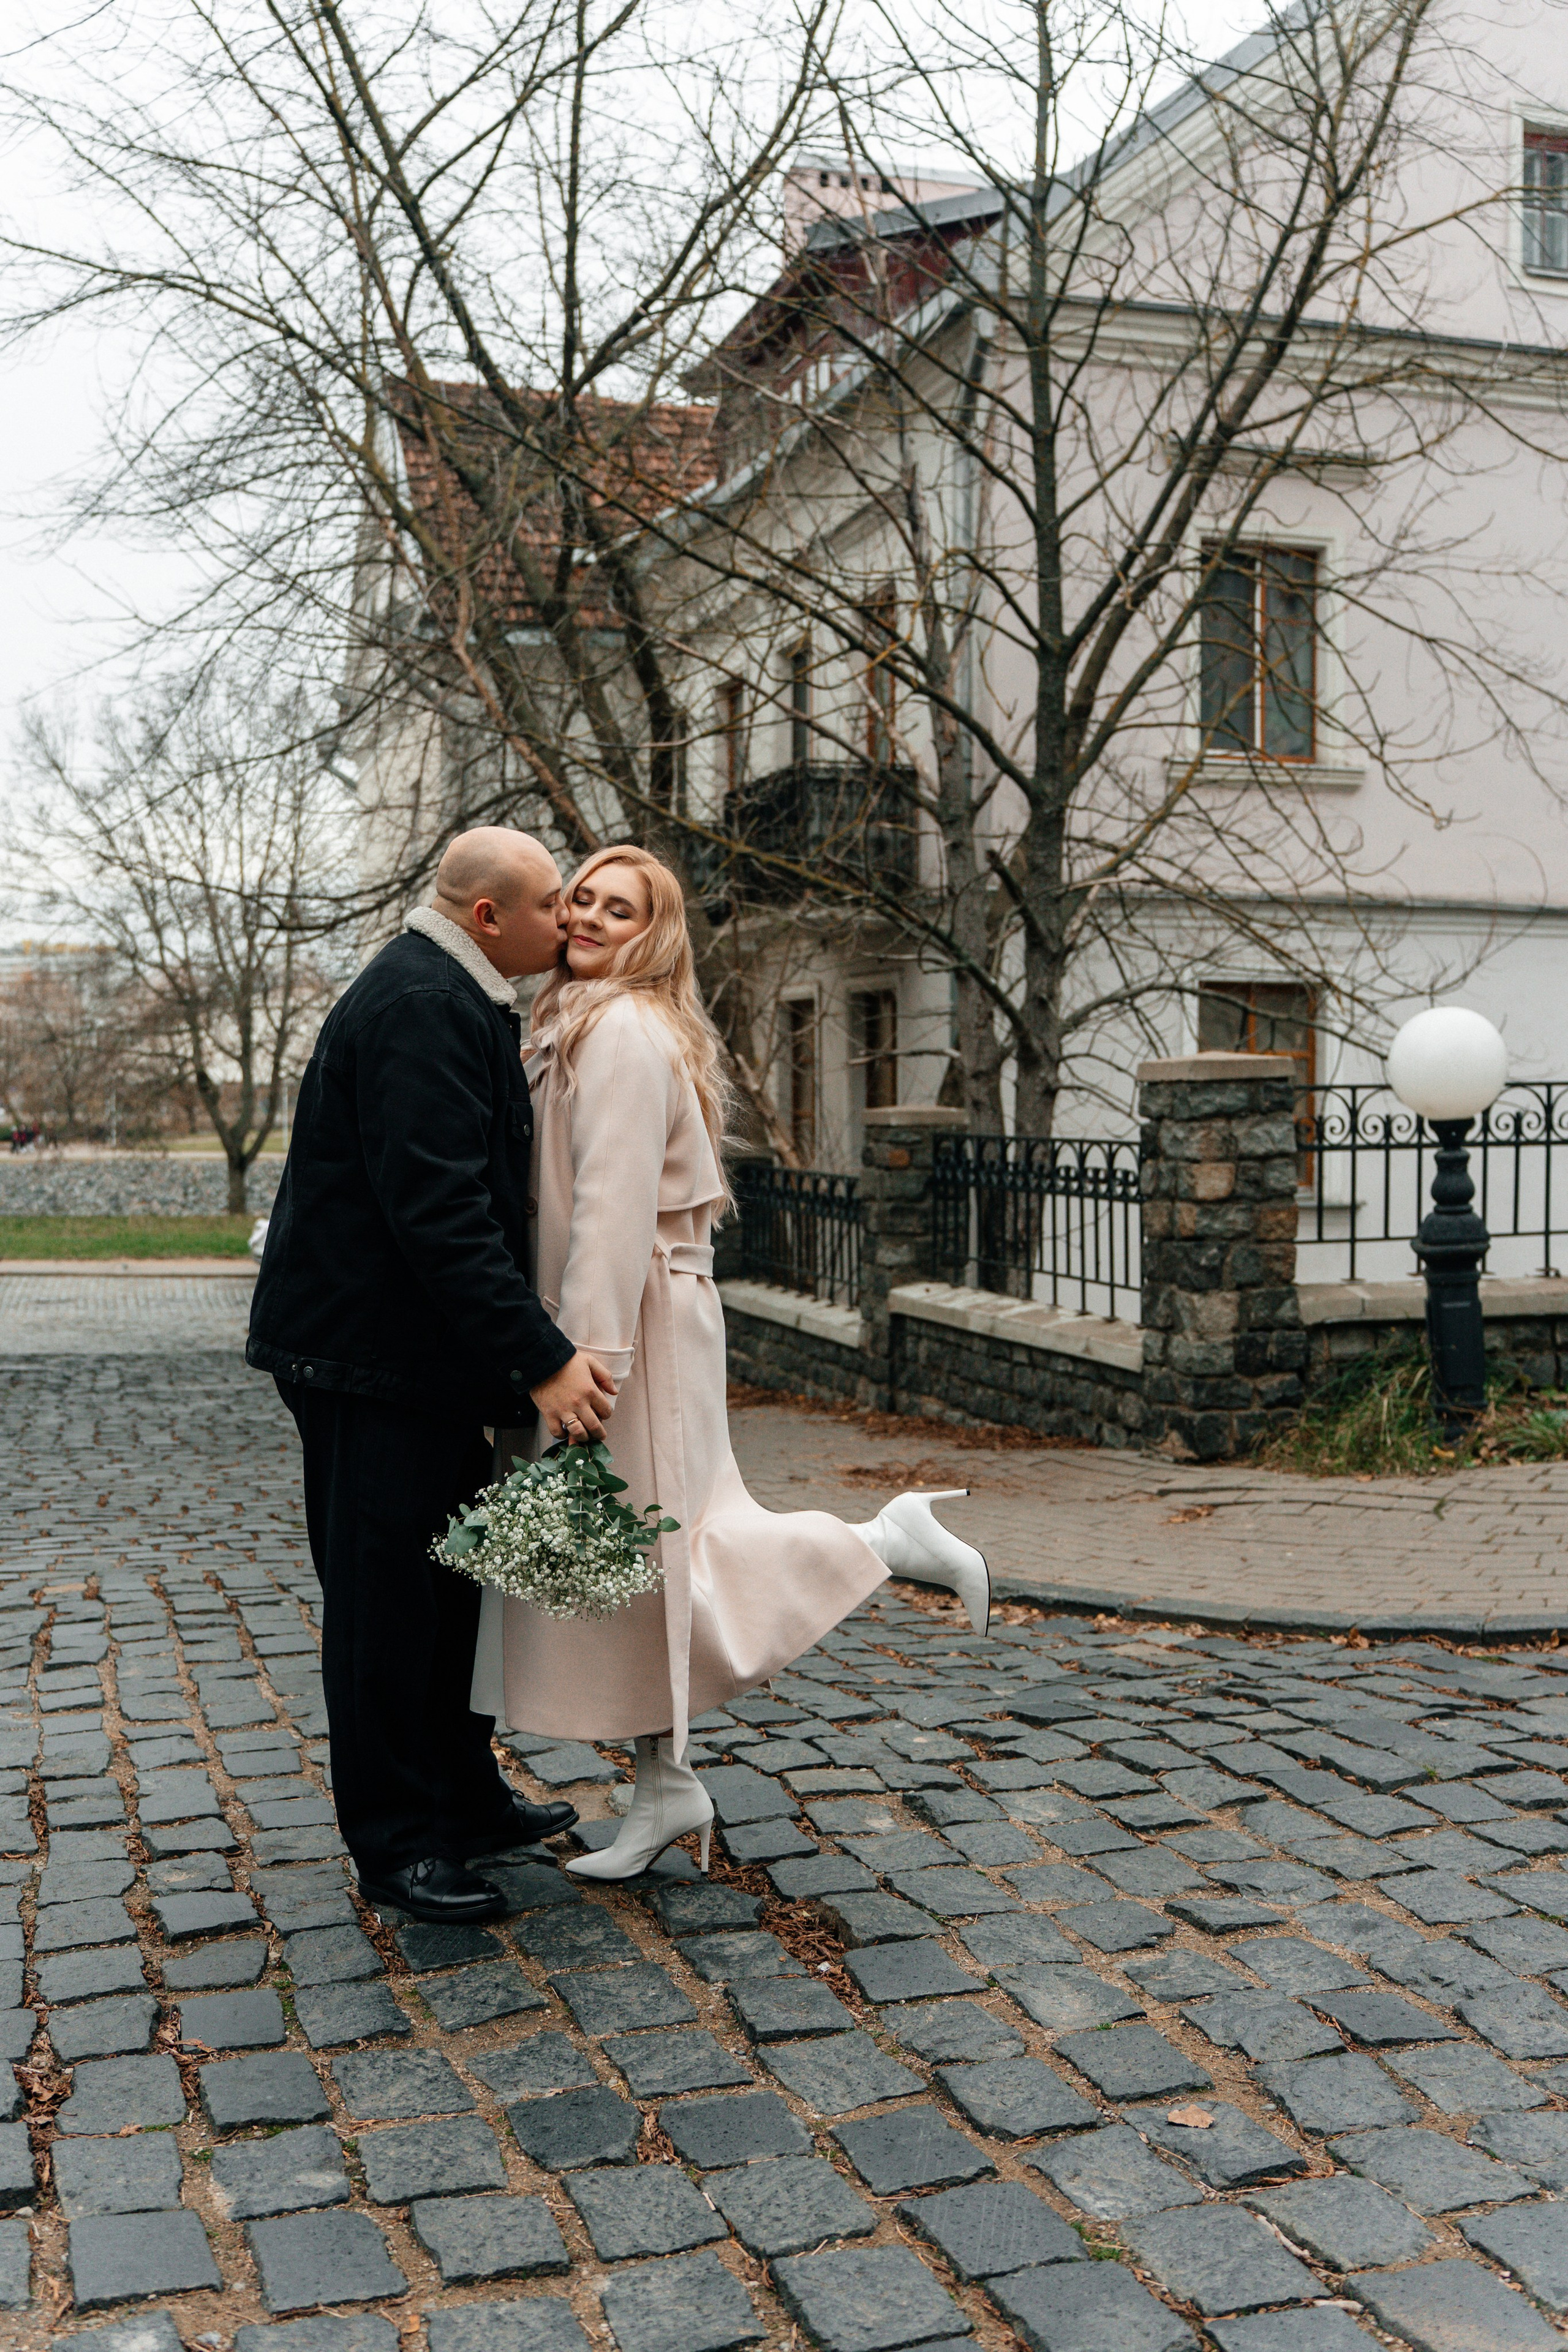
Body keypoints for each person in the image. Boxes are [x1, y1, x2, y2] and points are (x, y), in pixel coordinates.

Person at [471, 842, 990, 1882]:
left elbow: (615, 1208)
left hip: (630, 1327)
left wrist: (587, 1361)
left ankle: (888, 1539)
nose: (587, 921)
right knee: (641, 1565)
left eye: (618, 911)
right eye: (581, 901)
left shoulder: (618, 1029)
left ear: (651, 935)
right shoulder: (584, 1020)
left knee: (665, 1549)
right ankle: (665, 1787)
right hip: (647, 1316)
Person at [247, 827, 620, 1926]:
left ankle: (459, 1795)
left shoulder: (455, 994)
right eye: (554, 904)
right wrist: (544, 1359)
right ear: (489, 918)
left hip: (417, 1365)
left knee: (448, 1593)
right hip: (370, 1365)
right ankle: (398, 1842)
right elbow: (440, 1213)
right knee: (385, 1609)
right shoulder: (422, 1004)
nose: (567, 923)